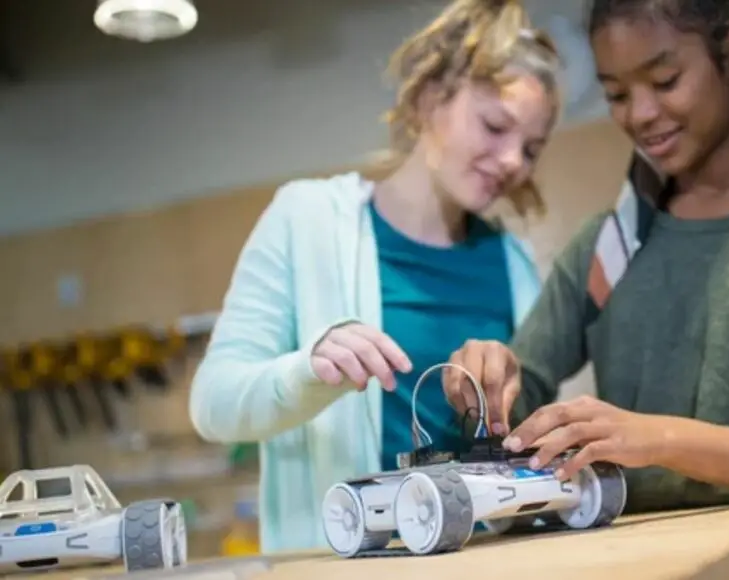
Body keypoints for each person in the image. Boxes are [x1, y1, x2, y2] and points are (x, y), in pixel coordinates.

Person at [443, 0, 729, 578]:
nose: (640, 114)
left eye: (665, 81)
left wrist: (656, 438)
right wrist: (486, 386)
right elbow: (521, 399)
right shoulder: (608, 246)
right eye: (616, 94)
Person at [188, 0, 562, 552]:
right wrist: (309, 372)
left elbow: (535, 437)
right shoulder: (305, 219)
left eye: (531, 149)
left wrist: (508, 397)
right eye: (495, 126)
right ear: (431, 96)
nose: (513, 162)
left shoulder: (515, 262)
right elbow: (212, 405)